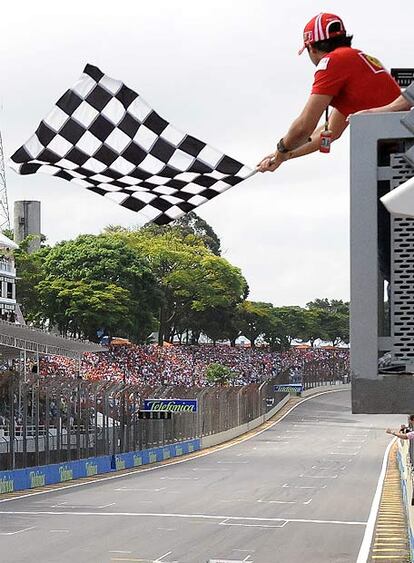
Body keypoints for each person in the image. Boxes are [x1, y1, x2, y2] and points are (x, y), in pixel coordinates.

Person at [258, 13, 401, 172]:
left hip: (399, 151)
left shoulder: (332, 62)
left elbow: (304, 127)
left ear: (311, 47)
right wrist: (283, 155)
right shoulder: (355, 58)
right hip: (401, 145)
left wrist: (282, 148)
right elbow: (329, 132)